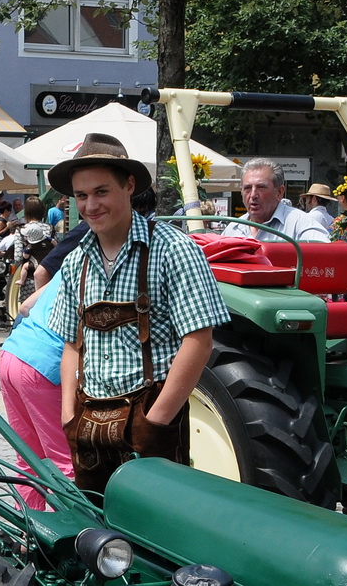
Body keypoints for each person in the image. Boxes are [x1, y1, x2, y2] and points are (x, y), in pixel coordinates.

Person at [45, 136, 230, 493]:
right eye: (81, 196)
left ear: (129, 186)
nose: (90, 205)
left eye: (101, 192)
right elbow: (71, 346)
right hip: (88, 423)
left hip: (150, 419)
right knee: (98, 534)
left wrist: (157, 421)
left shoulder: (173, 250)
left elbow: (199, 341)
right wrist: (68, 415)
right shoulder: (75, 262)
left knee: (157, 533)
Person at [0, 271, 74, 510]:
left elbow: (25, 306)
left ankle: (28, 530)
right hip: (45, 365)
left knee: (29, 457)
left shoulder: (72, 264)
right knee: (65, 460)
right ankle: (61, 534)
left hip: (12, 352)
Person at [221, 159, 333, 243]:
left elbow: (329, 256)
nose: (253, 195)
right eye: (247, 188)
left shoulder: (299, 224)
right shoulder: (234, 228)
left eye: (261, 187)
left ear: (279, 192)